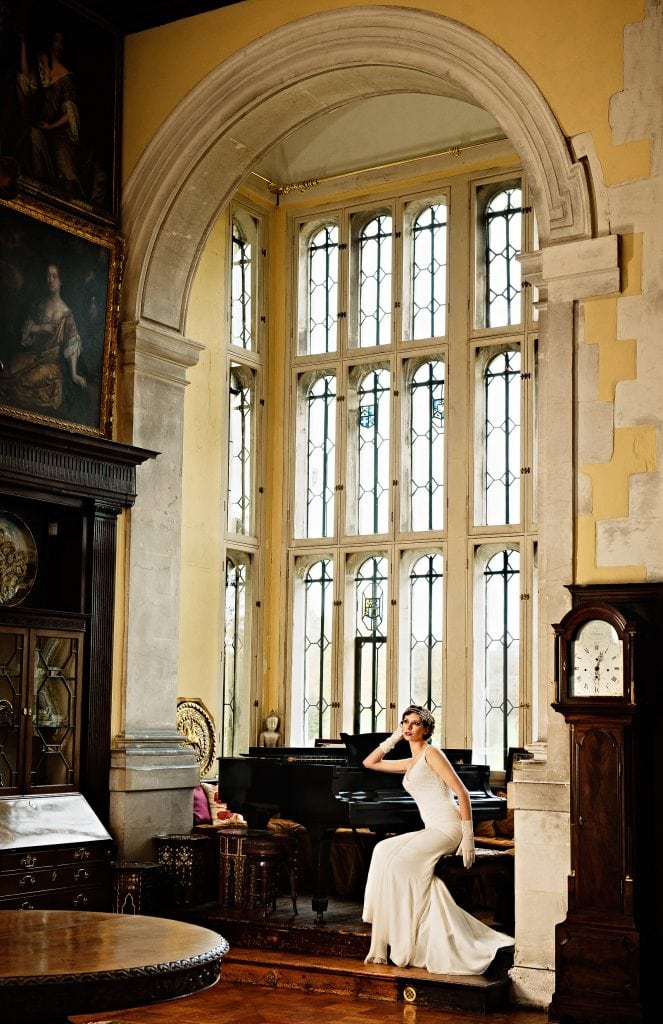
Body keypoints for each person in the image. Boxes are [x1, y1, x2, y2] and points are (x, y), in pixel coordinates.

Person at [361, 705, 515, 974]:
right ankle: (397, 925)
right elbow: (369, 762)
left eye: (415, 723)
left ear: (427, 729)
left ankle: (417, 928)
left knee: (400, 864)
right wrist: (395, 737)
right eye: (405, 722)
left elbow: (462, 793)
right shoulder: (410, 762)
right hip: (431, 827)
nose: (409, 727)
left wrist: (468, 837)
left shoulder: (433, 754)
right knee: (382, 849)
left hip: (449, 827)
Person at [1, 260, 86, 414]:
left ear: (61, 281)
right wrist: (40, 328)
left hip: (51, 362)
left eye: (54, 276)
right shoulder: (40, 305)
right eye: (48, 276)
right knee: (10, 369)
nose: (50, 280)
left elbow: (72, 343)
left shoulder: (67, 313)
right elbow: (27, 329)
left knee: (26, 380)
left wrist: (73, 373)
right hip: (34, 355)